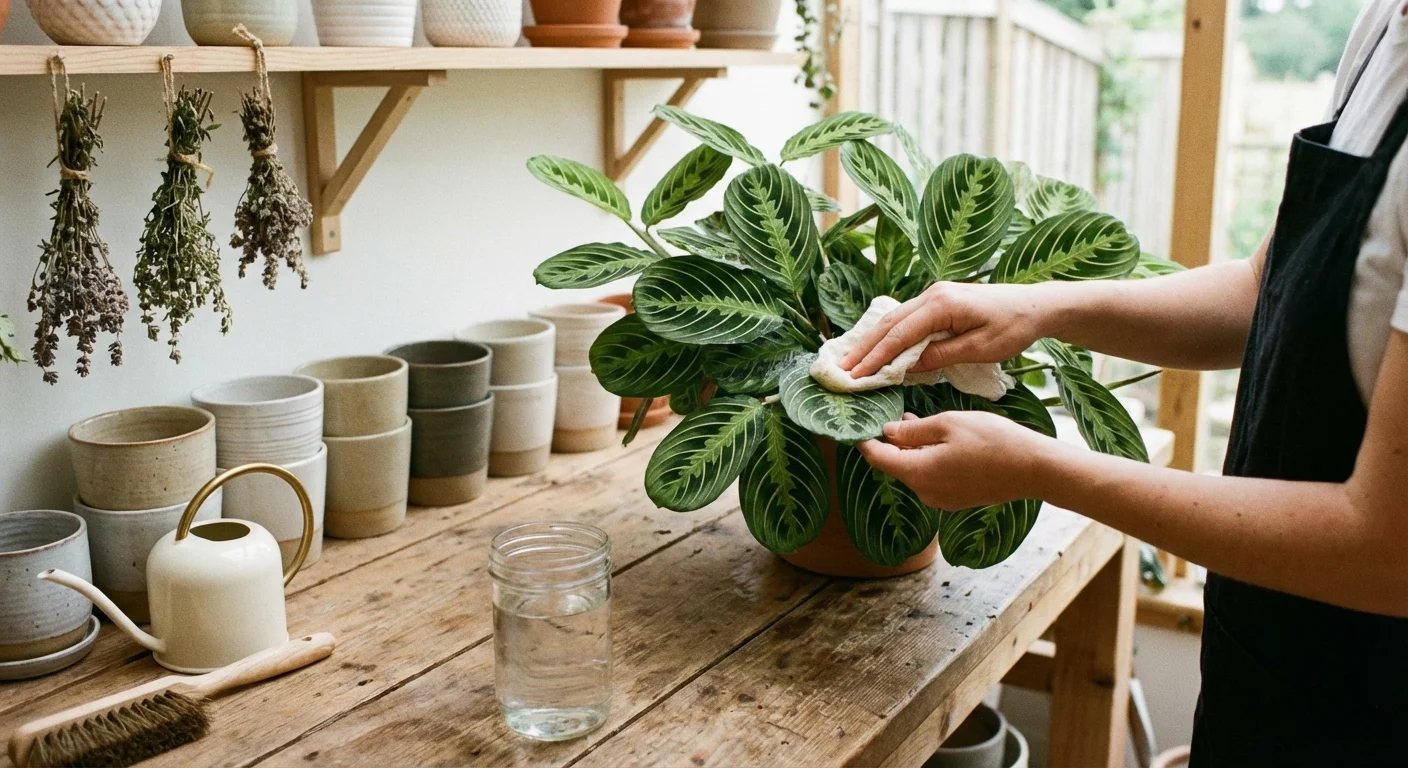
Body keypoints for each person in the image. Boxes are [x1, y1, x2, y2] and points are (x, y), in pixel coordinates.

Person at [839, 0, 1408, 762]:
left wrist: (1038, 467)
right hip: (1267, 666)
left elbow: (1386, 549)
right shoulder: (1385, 26)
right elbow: (1263, 289)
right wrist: (1036, 308)